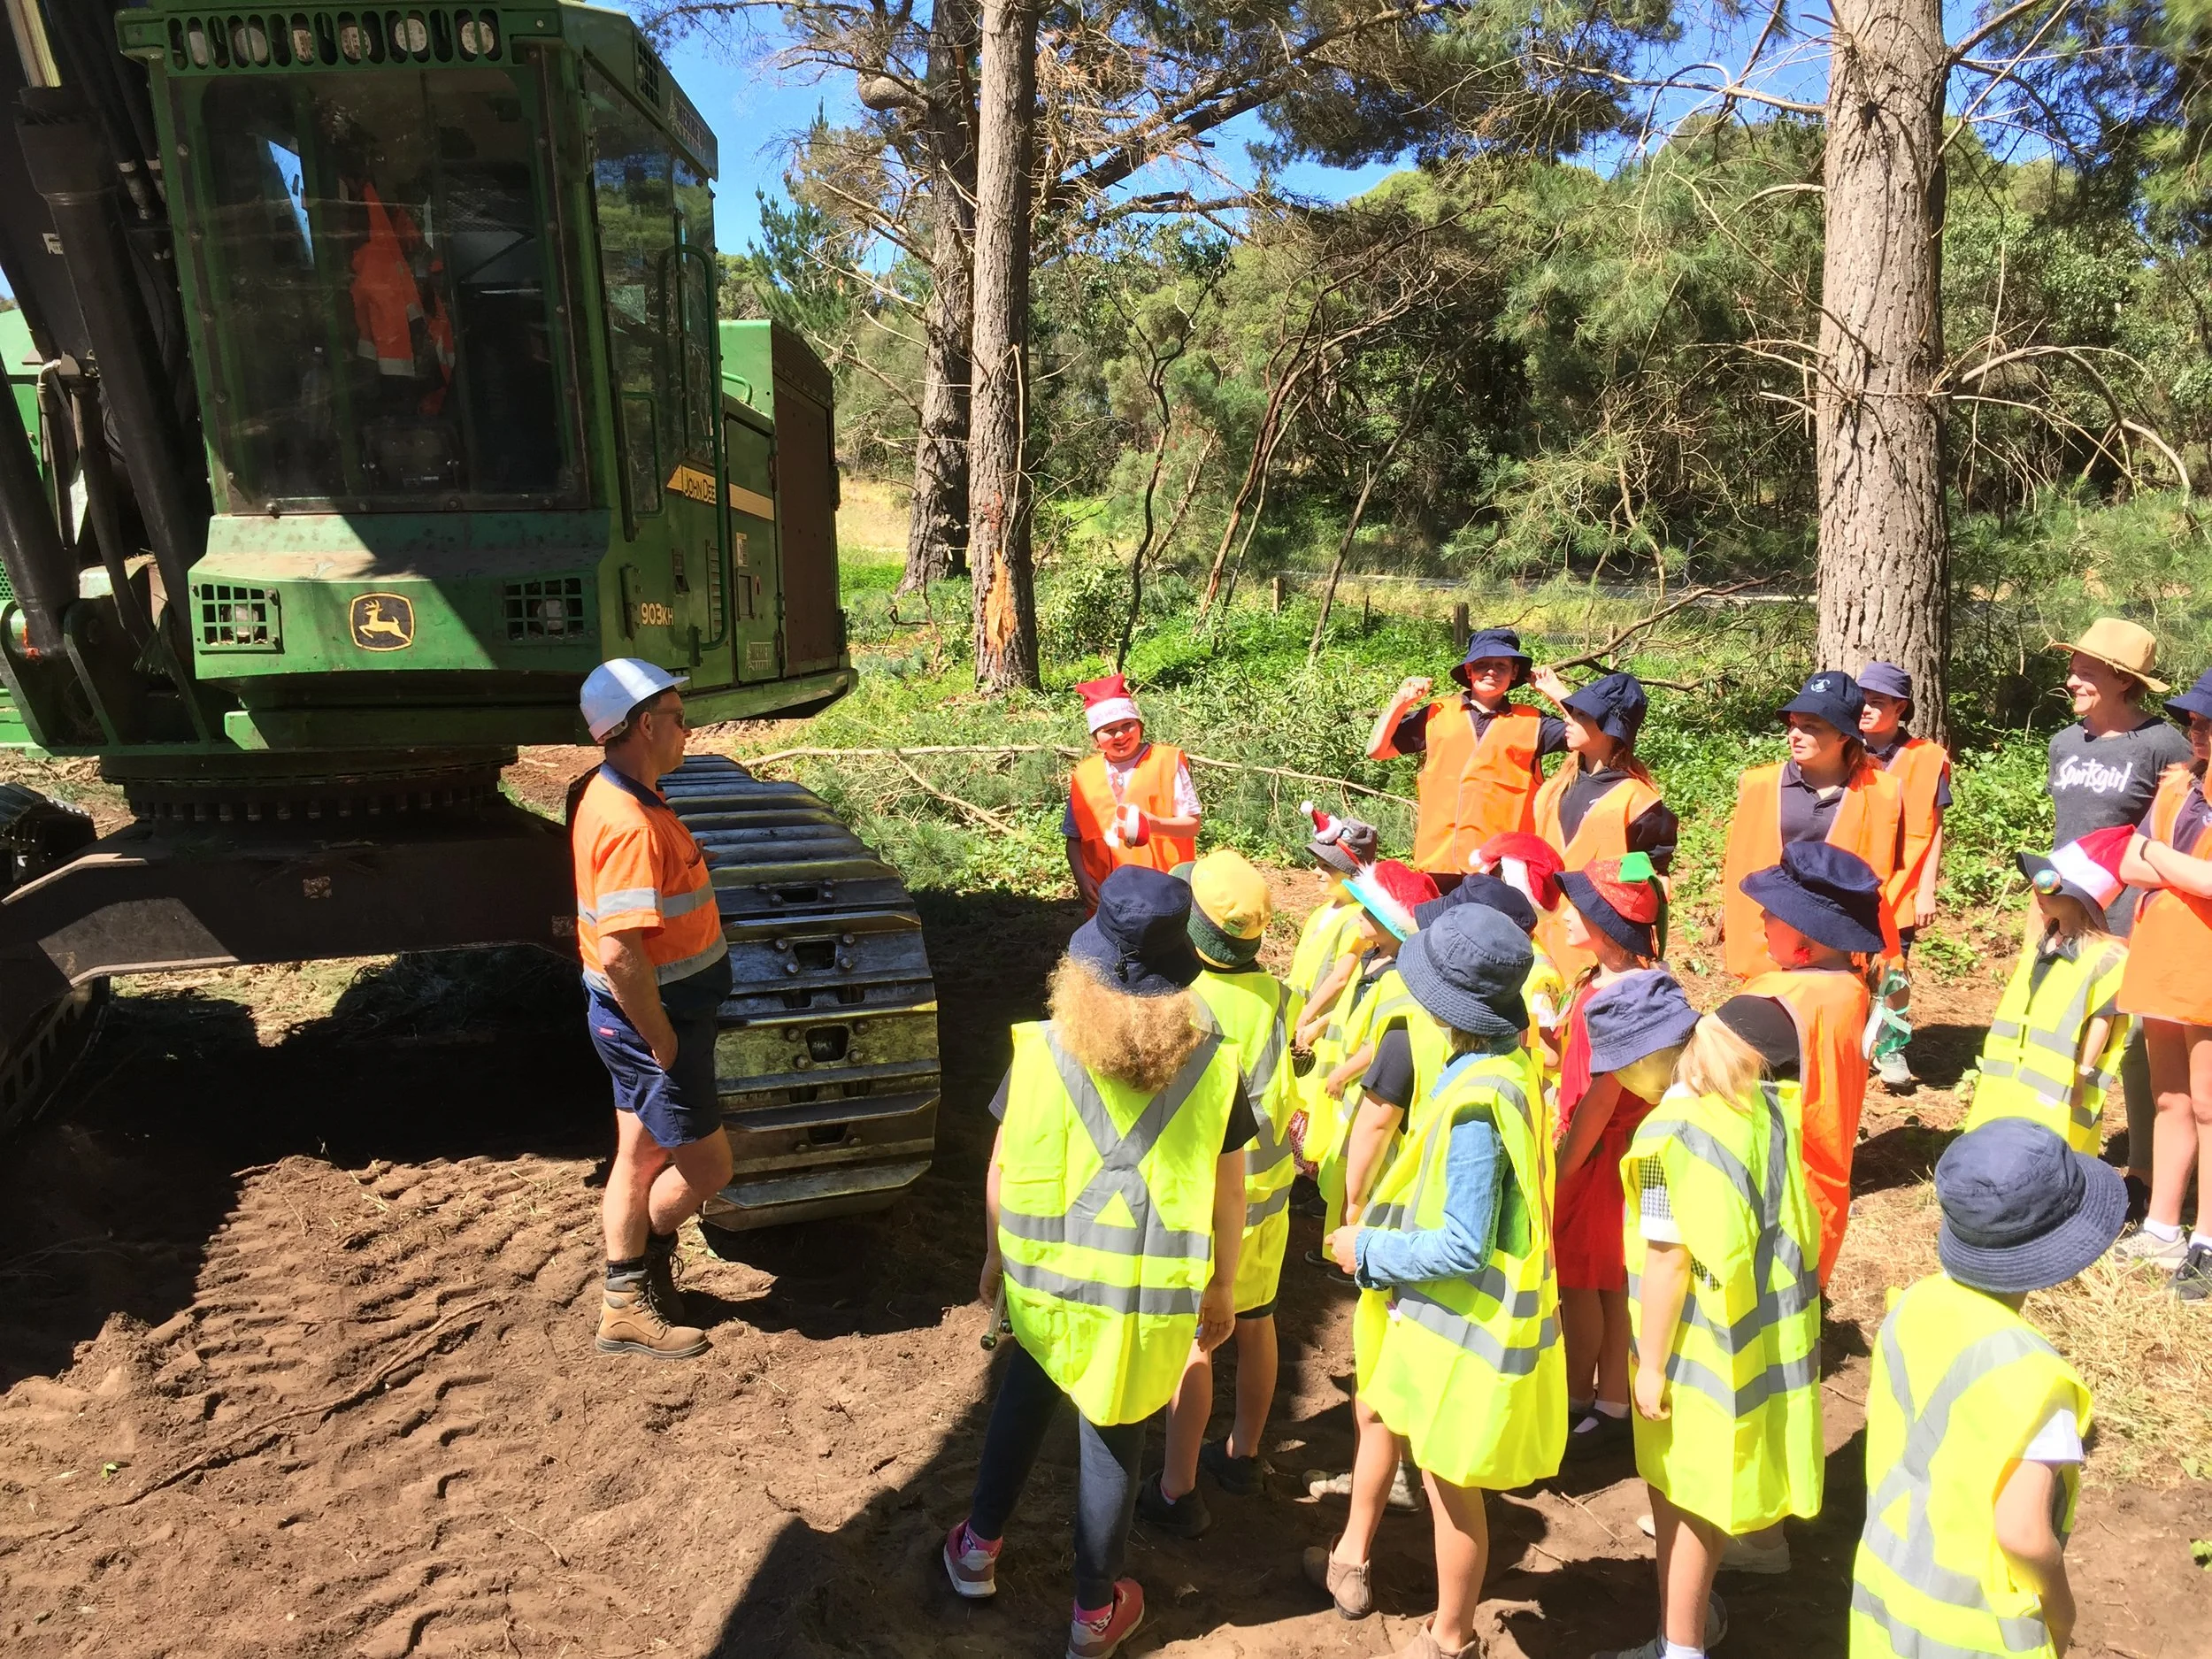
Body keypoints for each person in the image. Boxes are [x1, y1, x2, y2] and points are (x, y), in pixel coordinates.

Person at [948, 867, 1254, 1659]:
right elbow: (1230, 1189)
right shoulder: (1215, 1068)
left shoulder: (1042, 1049)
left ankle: (976, 1550)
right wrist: (1223, 1283)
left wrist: (995, 1257)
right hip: (1143, 1301)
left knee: (1026, 1389)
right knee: (1117, 1433)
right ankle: (1093, 1614)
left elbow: (1003, 1164)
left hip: (1045, 1284)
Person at [1305, 906, 1562, 1659]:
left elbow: (1463, 1241)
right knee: (1389, 1421)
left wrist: (1369, 1247)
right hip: (1432, 1318)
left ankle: (1450, 1637)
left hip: (1460, 1330)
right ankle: (1351, 1560)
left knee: (1452, 1488)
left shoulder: (1479, 1102)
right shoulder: (1505, 1067)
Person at [1848, 1118, 2125, 1659]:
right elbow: (2022, 1533)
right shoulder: (2037, 1378)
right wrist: (2061, 1610)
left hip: (1886, 1595)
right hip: (1978, 1635)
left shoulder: (1910, 1307)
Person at [1604, 996, 1824, 1659]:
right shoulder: (1758, 1105)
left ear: (1645, 1060)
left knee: (1685, 1493)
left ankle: (1681, 1646)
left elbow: (1667, 1257)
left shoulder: (1665, 1137)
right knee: (1714, 1487)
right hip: (1764, 1336)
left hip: (1694, 1348)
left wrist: (1649, 1366)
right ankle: (1687, 1623)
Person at [572, 659, 735, 1362]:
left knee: (636, 1157)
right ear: (643, 725)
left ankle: (625, 1299)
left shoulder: (616, 793)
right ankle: (644, 1271)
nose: (686, 729)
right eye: (677, 717)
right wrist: (662, 1039)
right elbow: (619, 952)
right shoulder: (630, 823)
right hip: (653, 1024)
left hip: (632, 1018)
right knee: (710, 1170)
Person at [1148, 851, 1294, 1532]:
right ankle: (1243, 1453)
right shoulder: (1274, 995)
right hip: (1270, 1193)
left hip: (1211, 1196)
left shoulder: (1184, 998)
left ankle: (1177, 1489)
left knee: (1196, 1339)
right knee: (1257, 1320)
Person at [1549, 863, 1698, 1462]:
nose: (1564, 915)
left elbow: (1598, 1099)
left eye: (1577, 909)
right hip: (1620, 1155)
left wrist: (1563, 1169)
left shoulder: (1614, 1001)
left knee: (1580, 1283)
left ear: (1606, 926)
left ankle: (1574, 1397)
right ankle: (1613, 1397)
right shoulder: (1639, 984)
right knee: (1613, 1280)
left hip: (1595, 1158)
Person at [2044, 618, 2191, 1215]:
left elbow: (2180, 831)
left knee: (2134, 1049)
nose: (2072, 679)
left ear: (2123, 680)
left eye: (2086, 671)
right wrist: (2049, 901)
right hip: (2068, 911)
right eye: (2073, 668)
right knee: (2066, 1035)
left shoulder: (2164, 745)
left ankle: (2147, 1174)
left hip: (2135, 917)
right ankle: (2067, 1158)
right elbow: (2068, 831)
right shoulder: (2064, 742)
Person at [1740, 842, 1887, 1288]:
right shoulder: (1851, 986)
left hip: (1770, 1213)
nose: (1762, 918)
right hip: (1819, 1208)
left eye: (1774, 912)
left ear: (1807, 936)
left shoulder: (1778, 1003)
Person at [2113, 669, 2212, 1298]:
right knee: (2171, 1098)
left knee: (2210, 1106)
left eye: (2208, 722)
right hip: (2162, 961)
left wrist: (2155, 857)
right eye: (2193, 721)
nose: (2196, 731)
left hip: (2205, 969)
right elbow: (2128, 860)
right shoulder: (2178, 785)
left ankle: (2208, 1241)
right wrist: (2157, 859)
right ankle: (2161, 1225)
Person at [1719, 672, 1904, 979]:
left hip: (1838, 958)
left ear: (1843, 735)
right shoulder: (1758, 784)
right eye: (1793, 724)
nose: (1794, 735)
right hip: (1766, 949)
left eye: (1810, 727)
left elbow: (1887, 877)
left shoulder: (1882, 793)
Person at [1962, 830, 2132, 1156]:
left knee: (2048, 1159)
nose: (2037, 892)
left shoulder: (2106, 959)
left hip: (2058, 1091)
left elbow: (2103, 1022)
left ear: (2079, 899)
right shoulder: (2043, 943)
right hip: (2010, 1083)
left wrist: (2081, 1075)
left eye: (2048, 885)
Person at [1300, 859, 1438, 1241]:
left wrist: (1343, 1073)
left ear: (1392, 923)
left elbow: (1382, 1037)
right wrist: (1321, 1024)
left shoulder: (1398, 974)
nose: (1359, 915)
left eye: (1369, 911)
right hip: (1346, 1086)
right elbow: (1356, 1009)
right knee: (1341, 1163)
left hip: (1363, 1085)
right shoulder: (1373, 955)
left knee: (1359, 1168)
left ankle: (1347, 1247)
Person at [1367, 628, 1569, 887]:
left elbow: (1592, 733)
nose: (1491, 671)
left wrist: (1555, 691)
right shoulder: (1438, 713)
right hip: (1440, 863)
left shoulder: (1535, 722)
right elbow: (1378, 750)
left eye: (1501, 665)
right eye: (1482, 664)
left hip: (1503, 868)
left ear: (1514, 672)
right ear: (1469, 671)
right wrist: (1400, 702)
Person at [1525, 669, 1679, 987]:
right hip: (1541, 948)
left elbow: (1651, 891)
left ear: (1610, 730)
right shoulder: (1555, 787)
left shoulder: (1640, 803)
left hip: (1599, 965)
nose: (1568, 720)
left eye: (1581, 715)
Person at [1857, 663, 1953, 1091]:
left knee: (1895, 971)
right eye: (1862, 700)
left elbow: (1934, 829)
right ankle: (1851, 1042)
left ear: (1900, 708)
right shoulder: (1843, 749)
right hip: (1849, 881)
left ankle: (1891, 1045)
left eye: (1877, 702)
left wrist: (1927, 889)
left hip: (1902, 885)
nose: (1866, 708)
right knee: (1845, 968)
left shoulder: (1927, 759)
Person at [1065, 674, 1202, 914]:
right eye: (1109, 730)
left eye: (1127, 725)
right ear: (1096, 739)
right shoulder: (1084, 775)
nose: (1120, 735)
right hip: (1109, 897)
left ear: (1140, 726)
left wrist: (1155, 825)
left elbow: (1192, 825)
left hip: (1163, 889)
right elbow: (1074, 838)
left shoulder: (1166, 761)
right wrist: (1082, 879)